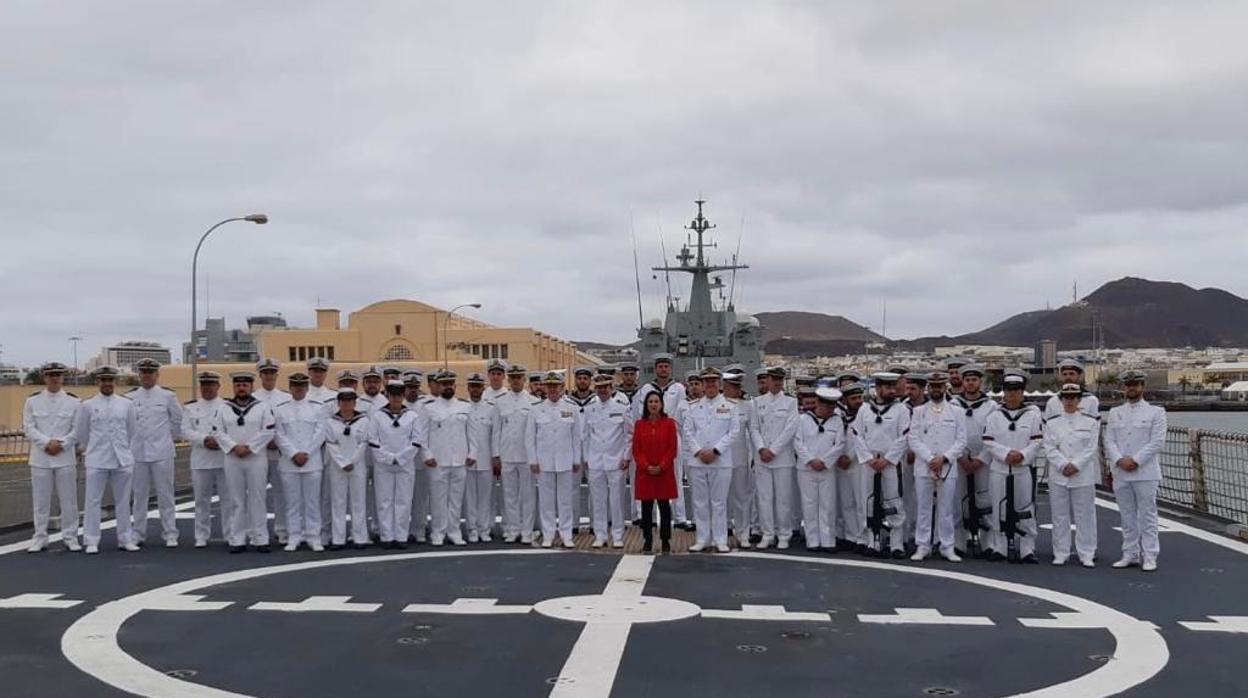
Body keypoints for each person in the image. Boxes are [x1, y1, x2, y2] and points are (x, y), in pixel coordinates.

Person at [1105, 369, 1166, 572]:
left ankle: (1150, 555)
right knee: (1126, 515)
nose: (1132, 388)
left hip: (1145, 472)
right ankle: (1130, 553)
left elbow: (1157, 442)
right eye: (1129, 384)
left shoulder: (1156, 412)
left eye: (1136, 384)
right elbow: (1109, 441)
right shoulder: (1115, 413)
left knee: (1147, 515)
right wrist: (1120, 460)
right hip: (1121, 471)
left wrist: (1136, 460)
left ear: (1142, 387)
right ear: (1124, 387)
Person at [982, 370, 1043, 563]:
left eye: (1016, 390)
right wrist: (1005, 453)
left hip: (1022, 469)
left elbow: (1037, 441)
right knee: (998, 507)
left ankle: (1027, 548)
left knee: (1025, 507)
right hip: (1000, 468)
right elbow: (988, 441)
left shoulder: (1032, 415)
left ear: (1022, 392)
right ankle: (999, 546)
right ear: (1003, 392)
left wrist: (1022, 455)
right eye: (1008, 390)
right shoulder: (994, 416)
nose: (1012, 394)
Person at [76, 366, 139, 554]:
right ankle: (91, 539)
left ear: (115, 382)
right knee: (93, 501)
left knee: (123, 500)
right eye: (103, 380)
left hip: (122, 457)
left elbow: (131, 430)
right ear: (98, 382)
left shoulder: (126, 404)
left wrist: (123, 448)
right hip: (97, 458)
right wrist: (92, 449)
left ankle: (125, 538)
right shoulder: (87, 405)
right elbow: (82, 433)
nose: (107, 384)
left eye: (110, 380)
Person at [908, 372, 967, 562]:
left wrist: (944, 458)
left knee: (946, 508)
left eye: (939, 386)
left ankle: (947, 546)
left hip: (947, 466)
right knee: (923, 508)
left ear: (945, 387)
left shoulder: (957, 412)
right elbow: (913, 439)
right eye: (932, 386)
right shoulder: (919, 412)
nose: (935, 389)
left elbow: (961, 440)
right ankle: (922, 545)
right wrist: (929, 458)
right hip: (924, 466)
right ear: (928, 388)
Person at [23, 361, 81, 553]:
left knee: (69, 500)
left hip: (64, 456)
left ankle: (70, 536)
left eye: (58, 374)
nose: (54, 378)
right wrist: (46, 443)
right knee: (40, 500)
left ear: (62, 377)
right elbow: (29, 428)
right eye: (50, 375)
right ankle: (40, 537)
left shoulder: (74, 402)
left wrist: (61, 443)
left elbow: (78, 429)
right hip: (41, 457)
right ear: (44, 377)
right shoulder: (32, 401)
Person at [217, 371, 276, 553]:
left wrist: (249, 447)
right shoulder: (224, 407)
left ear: (251, 386)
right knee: (236, 499)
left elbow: (268, 431)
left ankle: (260, 538)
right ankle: (237, 539)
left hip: (256, 457)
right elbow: (217, 431)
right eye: (238, 385)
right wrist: (234, 447)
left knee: (258, 498)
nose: (241, 388)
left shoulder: (262, 407)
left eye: (245, 385)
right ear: (234, 387)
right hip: (233, 457)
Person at [851, 372, 909, 558]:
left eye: (893, 387)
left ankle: (896, 543)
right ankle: (872, 541)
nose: (892, 391)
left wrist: (888, 459)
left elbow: (904, 437)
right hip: (869, 463)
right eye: (887, 387)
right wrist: (868, 458)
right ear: (877, 389)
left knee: (894, 500)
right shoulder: (864, 410)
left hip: (890, 463)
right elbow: (857, 435)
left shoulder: (901, 410)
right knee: (868, 501)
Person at [683, 367, 740, 553]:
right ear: (702, 384)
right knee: (699, 502)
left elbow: (734, 432)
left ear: (720, 384)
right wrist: (699, 451)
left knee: (719, 502)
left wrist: (716, 450)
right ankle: (702, 538)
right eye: (706, 382)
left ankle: (720, 539)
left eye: (713, 381)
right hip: (698, 461)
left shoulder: (731, 406)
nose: (710, 385)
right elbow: (688, 432)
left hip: (721, 461)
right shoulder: (693, 407)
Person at [128, 358, 183, 548]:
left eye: (150, 372)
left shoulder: (168, 397)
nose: (146, 375)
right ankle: (138, 533)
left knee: (165, 494)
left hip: (162, 452)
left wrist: (169, 439)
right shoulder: (130, 397)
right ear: (139, 374)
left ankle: (170, 533)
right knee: (139, 496)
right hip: (138, 453)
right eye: (143, 372)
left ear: (157, 375)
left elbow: (177, 421)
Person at [1044, 383, 1101, 567]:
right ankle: (1061, 552)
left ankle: (1087, 553)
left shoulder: (1090, 421)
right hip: (1058, 474)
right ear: (1061, 400)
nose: (1070, 401)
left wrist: (1075, 465)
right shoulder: (1051, 422)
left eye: (1073, 397)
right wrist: (1062, 464)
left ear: (1079, 400)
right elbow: (1049, 447)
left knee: (1085, 514)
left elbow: (1091, 448)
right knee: (1059, 515)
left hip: (1082, 474)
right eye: (1066, 398)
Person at [631, 354, 688, 525]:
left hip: (671, 433)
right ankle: (644, 516)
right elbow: (639, 411)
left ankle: (679, 517)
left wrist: (669, 426)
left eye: (666, 366)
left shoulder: (678, 388)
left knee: (675, 476)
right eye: (660, 366)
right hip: (650, 434)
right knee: (646, 476)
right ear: (656, 369)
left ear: (670, 369)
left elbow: (681, 412)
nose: (663, 369)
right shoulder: (646, 388)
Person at [527, 371, 582, 548]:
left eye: (555, 386)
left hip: (565, 460)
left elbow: (576, 437)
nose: (552, 390)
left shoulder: (571, 408)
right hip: (544, 462)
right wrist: (533, 460)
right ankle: (548, 534)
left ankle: (566, 534)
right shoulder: (536, 409)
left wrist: (576, 459)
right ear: (544, 388)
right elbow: (530, 438)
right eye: (549, 386)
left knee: (565, 499)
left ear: (562, 388)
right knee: (546, 500)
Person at [420, 370, 474, 546]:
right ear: (438, 386)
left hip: (459, 459)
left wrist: (472, 453)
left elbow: (471, 433)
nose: (448, 386)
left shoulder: (465, 407)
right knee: (438, 499)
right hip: (437, 460)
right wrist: (426, 454)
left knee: (456, 499)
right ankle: (438, 531)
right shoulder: (428, 408)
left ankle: (454, 531)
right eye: (444, 384)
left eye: (450, 383)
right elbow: (422, 435)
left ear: (454, 385)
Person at [274, 372, 327, 552]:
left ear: (306, 388)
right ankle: (294, 536)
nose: (298, 389)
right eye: (295, 386)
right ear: (290, 388)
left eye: (302, 386)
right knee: (292, 502)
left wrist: (306, 453)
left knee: (312, 501)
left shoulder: (318, 408)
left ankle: (314, 536)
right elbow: (279, 435)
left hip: (311, 461)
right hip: (289, 462)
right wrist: (293, 454)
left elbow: (320, 433)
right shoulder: (281, 409)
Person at [750, 367, 799, 550]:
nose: (777, 382)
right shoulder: (756, 402)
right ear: (768, 380)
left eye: (780, 379)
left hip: (782, 458)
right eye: (773, 379)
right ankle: (767, 533)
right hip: (762, 457)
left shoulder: (790, 402)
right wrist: (762, 448)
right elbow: (754, 428)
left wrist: (774, 450)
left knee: (783, 498)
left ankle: (784, 534)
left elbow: (790, 429)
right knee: (764, 498)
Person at [582, 374, 633, 548]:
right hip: (596, 461)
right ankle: (600, 535)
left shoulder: (622, 408)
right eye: (599, 387)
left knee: (616, 500)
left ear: (612, 388)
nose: (602, 391)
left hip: (616, 460)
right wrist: (587, 458)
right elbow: (586, 436)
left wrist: (626, 456)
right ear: (595, 389)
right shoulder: (590, 409)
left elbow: (628, 435)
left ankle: (617, 535)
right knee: (597, 500)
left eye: (606, 387)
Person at [369, 379, 421, 549]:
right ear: (387, 395)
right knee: (384, 500)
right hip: (383, 465)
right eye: (393, 395)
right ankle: (386, 536)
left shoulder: (412, 416)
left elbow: (416, 440)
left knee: (403, 501)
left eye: (399, 395)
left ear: (403, 395)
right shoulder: (378, 416)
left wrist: (401, 457)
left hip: (405, 465)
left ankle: (401, 535)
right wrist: (388, 457)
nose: (396, 398)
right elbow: (373, 440)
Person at [182, 370, 232, 548]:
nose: (207, 388)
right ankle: (201, 535)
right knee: (201, 500)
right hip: (201, 460)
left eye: (211, 385)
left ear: (218, 386)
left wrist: (218, 440)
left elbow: (231, 429)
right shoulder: (191, 407)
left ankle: (230, 533)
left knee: (228, 499)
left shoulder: (228, 406)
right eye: (204, 385)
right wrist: (204, 440)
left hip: (223, 458)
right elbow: (186, 431)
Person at [794, 387, 846, 552]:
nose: (830, 410)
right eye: (827, 407)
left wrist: (824, 461)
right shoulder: (803, 420)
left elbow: (840, 445)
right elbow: (797, 443)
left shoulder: (837, 421)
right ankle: (813, 540)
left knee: (827, 505)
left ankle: (828, 540)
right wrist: (810, 460)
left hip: (827, 469)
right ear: (818, 404)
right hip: (806, 469)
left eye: (832, 407)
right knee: (809, 504)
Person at [953, 364, 996, 555]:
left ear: (980, 382)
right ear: (962, 382)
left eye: (974, 380)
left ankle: (988, 543)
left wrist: (981, 459)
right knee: (958, 499)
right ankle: (959, 542)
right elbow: (950, 433)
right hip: (959, 459)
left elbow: (995, 434)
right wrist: (961, 457)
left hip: (983, 460)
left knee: (985, 500)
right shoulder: (953, 405)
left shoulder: (991, 406)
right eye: (967, 380)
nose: (970, 383)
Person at [324, 387, 370, 550]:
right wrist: (343, 462)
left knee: (358, 501)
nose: (346, 404)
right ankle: (338, 538)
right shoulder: (331, 422)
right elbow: (330, 443)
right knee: (338, 502)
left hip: (357, 465)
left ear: (354, 402)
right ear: (338, 402)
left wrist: (353, 461)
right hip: (337, 466)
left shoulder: (363, 420)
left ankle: (360, 537)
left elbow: (364, 442)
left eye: (350, 401)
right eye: (343, 401)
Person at [497, 364, 538, 543]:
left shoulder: (534, 402)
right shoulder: (500, 402)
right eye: (512, 377)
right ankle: (513, 529)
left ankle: (527, 530)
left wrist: (535, 456)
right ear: (509, 379)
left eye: (519, 377)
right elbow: (496, 431)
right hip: (507, 454)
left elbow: (536, 433)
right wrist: (495, 454)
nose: (515, 381)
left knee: (527, 495)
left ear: (524, 379)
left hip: (526, 456)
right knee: (509, 494)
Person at [632, 391, 678, 554]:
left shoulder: (669, 423)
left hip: (663, 472)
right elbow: (636, 449)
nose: (653, 404)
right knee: (646, 508)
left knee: (664, 508)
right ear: (646, 405)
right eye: (650, 401)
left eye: (656, 401)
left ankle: (665, 540)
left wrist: (661, 465)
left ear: (661, 404)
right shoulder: (639, 424)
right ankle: (647, 539)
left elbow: (672, 448)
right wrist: (646, 466)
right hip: (646, 473)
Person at [253, 358, 292, 544]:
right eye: (265, 373)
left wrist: (276, 441)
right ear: (260, 375)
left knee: (281, 494)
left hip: (280, 453)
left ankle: (282, 530)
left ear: (277, 374)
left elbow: (289, 425)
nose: (269, 376)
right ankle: (258, 532)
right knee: (256, 494)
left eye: (272, 372)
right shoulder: (252, 398)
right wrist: (264, 441)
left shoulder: (286, 398)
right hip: (258, 454)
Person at [464, 372, 501, 543]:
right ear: (468, 388)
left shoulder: (491, 408)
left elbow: (495, 434)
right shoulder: (462, 408)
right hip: (468, 459)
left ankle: (484, 528)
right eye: (472, 386)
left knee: (486, 496)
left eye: (478, 386)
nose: (475, 390)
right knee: (470, 496)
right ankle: (472, 528)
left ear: (482, 388)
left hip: (486, 459)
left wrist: (495, 456)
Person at [722, 369, 755, 548]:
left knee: (742, 499)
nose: (736, 389)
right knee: (721, 500)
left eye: (738, 386)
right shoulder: (718, 405)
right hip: (721, 460)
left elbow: (753, 432)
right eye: (733, 386)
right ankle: (721, 533)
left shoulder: (747, 406)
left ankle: (743, 534)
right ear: (725, 387)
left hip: (741, 459)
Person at [835, 383, 866, 552]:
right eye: (853, 399)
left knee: (860, 502)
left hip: (858, 463)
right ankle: (851, 536)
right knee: (846, 502)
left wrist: (850, 456)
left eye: (859, 398)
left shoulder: (866, 416)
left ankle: (863, 537)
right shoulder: (839, 417)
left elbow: (864, 438)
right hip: (841, 464)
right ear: (845, 400)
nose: (858, 401)